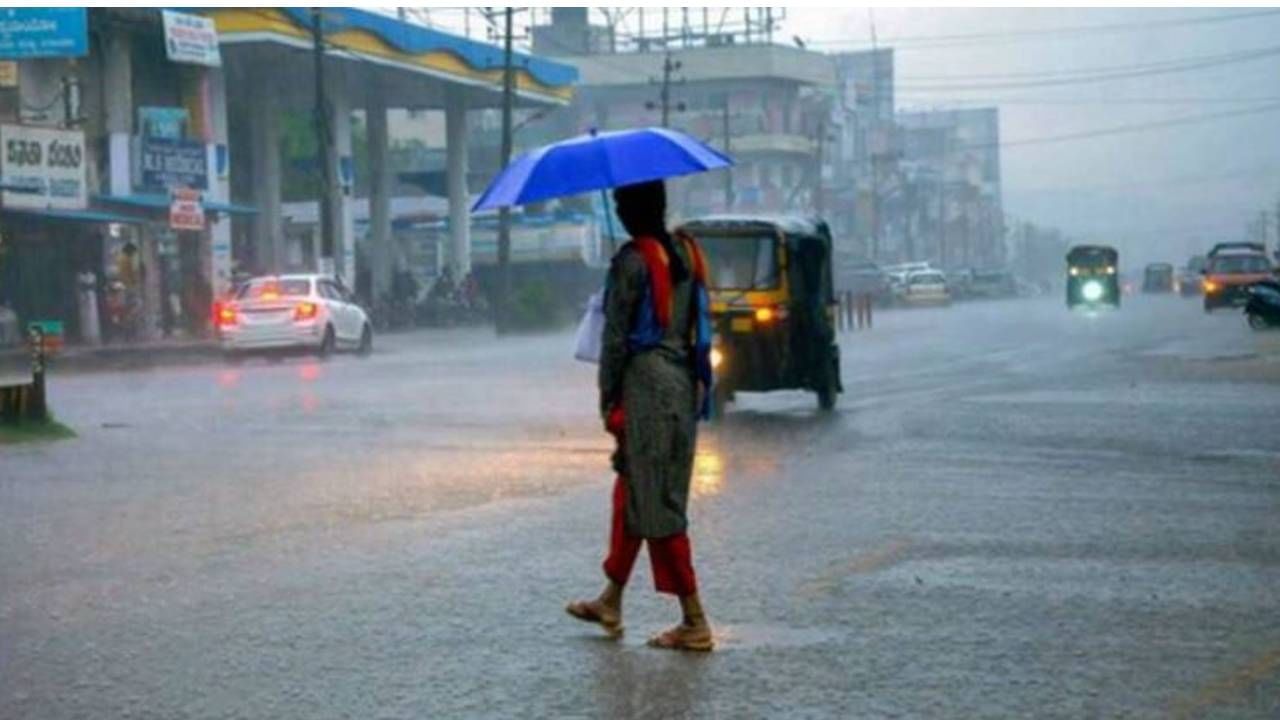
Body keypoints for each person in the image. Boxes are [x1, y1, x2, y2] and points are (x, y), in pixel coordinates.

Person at [565, 180, 716, 652]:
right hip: (681, 383)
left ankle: (694, 619)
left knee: (658, 504)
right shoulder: (689, 253)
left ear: (632, 209)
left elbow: (614, 341)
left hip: (645, 389)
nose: (619, 210)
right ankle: (611, 598)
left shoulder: (631, 262)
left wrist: (609, 398)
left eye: (620, 203)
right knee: (634, 491)